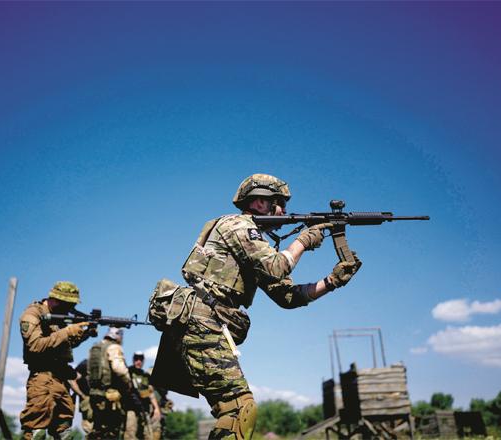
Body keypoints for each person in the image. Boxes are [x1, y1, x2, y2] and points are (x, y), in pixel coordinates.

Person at [152, 174, 362, 440]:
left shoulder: (253, 243)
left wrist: (331, 282)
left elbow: (288, 297)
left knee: (235, 411)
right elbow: (277, 266)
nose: (284, 211)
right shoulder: (238, 225)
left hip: (203, 320)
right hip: (202, 318)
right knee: (240, 410)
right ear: (261, 202)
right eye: (280, 203)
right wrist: (304, 241)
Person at [19, 281, 94, 440]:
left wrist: (84, 333)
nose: (70, 309)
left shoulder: (60, 317)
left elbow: (64, 344)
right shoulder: (33, 314)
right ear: (56, 299)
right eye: (68, 305)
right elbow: (35, 345)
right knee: (36, 433)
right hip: (42, 378)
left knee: (64, 433)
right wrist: (67, 332)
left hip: (62, 378)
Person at [87, 328, 134, 439]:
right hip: (110, 396)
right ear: (118, 336)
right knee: (111, 431)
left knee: (98, 430)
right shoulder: (114, 347)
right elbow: (119, 368)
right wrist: (128, 382)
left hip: (95, 394)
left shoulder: (95, 348)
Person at [124, 352, 161, 440]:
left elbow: (150, 393)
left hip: (144, 409)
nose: (138, 362)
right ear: (133, 360)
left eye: (141, 359)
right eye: (136, 359)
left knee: (148, 434)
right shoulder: (127, 373)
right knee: (130, 433)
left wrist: (156, 409)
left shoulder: (145, 376)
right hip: (131, 408)